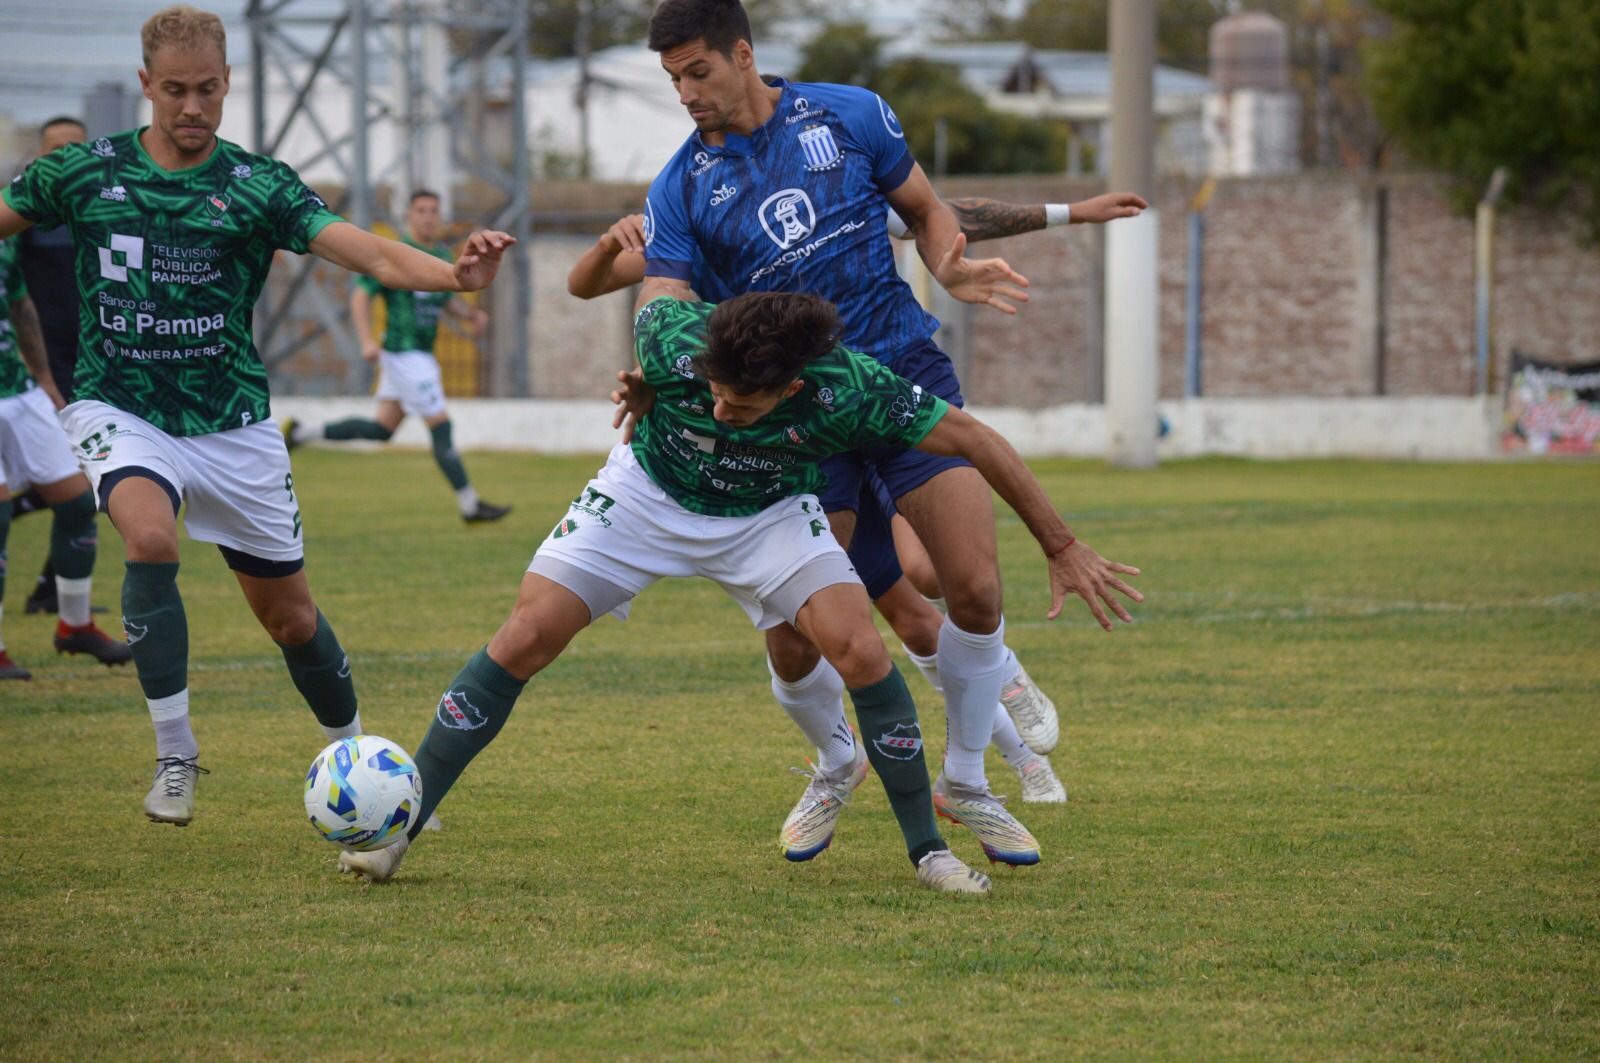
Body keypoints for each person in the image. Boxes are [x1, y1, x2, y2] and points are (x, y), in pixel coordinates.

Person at [337, 290, 1140, 892]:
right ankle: (399, 830)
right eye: (713, 392)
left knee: (859, 647)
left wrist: (1061, 544)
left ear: (794, 388)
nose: (721, 407)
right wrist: (645, 385)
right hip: (647, 496)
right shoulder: (671, 332)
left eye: (741, 403)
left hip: (767, 515)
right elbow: (652, 313)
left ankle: (928, 849)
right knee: (524, 636)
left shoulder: (850, 386)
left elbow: (974, 438)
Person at [635, 0, 1144, 866]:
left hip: (902, 374)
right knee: (802, 633)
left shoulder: (851, 113)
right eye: (673, 79)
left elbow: (929, 208)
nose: (685, 93)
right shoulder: (680, 185)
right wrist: (661, 364)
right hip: (797, 415)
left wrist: (946, 256)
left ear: (743, 54)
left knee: (974, 588)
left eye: (698, 72)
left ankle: (968, 779)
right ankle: (837, 761)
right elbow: (661, 297)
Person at [0, 3, 514, 823]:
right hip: (119, 407)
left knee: (292, 619)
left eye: (208, 89)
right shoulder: (84, 171)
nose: (192, 107)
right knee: (149, 535)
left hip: (233, 425)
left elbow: (371, 251)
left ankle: (365, 764)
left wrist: (455, 278)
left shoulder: (256, 184)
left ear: (228, 83)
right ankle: (176, 755)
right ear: (146, 86)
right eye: (175, 90)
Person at [568, 192, 1148, 816]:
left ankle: (992, 734)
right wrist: (611, 248)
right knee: (858, 616)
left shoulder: (832, 198)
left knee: (941, 579)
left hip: (889, 388)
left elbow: (943, 215)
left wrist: (1068, 213)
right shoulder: (700, 236)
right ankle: (910, 755)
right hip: (798, 433)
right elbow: (598, 288)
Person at [283, 189, 511, 524]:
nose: (429, 217)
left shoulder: (441, 254)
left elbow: (442, 296)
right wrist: (366, 341)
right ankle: (470, 505)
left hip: (418, 355)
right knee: (441, 424)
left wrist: (467, 314)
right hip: (406, 355)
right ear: (409, 215)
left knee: (382, 429)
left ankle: (302, 433)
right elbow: (361, 296)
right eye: (421, 210)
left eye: (434, 210)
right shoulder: (398, 253)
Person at [0, 235, 129, 679]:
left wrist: (44, 379)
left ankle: (74, 625)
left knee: (77, 501)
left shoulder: (5, 233)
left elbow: (19, 305)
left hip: (19, 389)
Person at [14, 115, 93, 617]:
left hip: (92, 364)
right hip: (39, 369)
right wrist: (34, 371)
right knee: (79, 481)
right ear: (39, 157)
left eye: (76, 150)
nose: (66, 158)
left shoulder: (102, 211)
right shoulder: (21, 220)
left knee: (92, 481)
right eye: (56, 150)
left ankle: (51, 590)